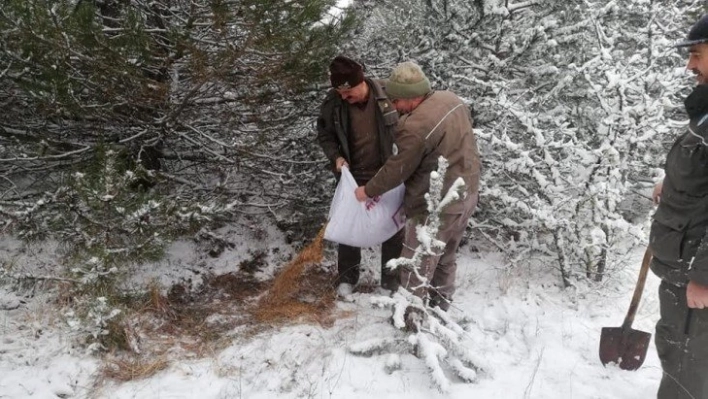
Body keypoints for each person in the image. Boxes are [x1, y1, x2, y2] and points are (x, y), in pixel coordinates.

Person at [354, 61, 481, 311]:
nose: (395, 107)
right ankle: (440, 308)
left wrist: (367, 191)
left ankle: (411, 319)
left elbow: (397, 169)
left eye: (397, 101)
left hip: (436, 204)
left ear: (411, 97)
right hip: (467, 192)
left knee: (416, 261)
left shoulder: (415, 126)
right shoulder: (451, 99)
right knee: (446, 255)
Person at [649, 14, 708, 399]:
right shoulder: (705, 111)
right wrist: (672, 182)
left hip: (696, 280)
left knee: (689, 370)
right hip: (684, 268)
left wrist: (704, 275)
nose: (690, 65)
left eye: (698, 55)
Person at [316, 55, 403, 296]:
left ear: (360, 81)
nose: (344, 97)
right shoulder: (333, 103)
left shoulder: (388, 94)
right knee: (349, 226)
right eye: (339, 92)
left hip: (388, 175)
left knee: (394, 227)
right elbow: (325, 135)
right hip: (353, 177)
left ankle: (390, 282)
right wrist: (335, 157)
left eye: (348, 91)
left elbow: (412, 125)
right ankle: (347, 278)